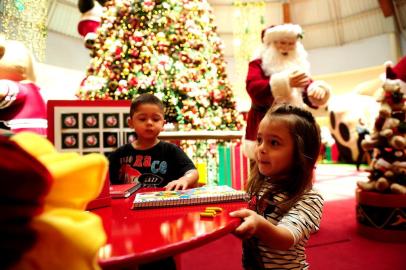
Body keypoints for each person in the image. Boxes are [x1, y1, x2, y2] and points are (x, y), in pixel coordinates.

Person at [230, 104, 324, 269]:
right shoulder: (261, 184)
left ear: (300, 154)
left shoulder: (308, 197)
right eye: (260, 140)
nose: (261, 148)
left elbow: (286, 238)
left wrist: (258, 225)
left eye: (274, 143)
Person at [244, 23, 330, 159]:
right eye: (282, 43)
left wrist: (317, 91)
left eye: (291, 44)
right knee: (264, 169)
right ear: (271, 44)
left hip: (294, 126)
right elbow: (254, 89)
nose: (286, 48)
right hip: (266, 125)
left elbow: (308, 87)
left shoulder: (297, 65)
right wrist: (285, 82)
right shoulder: (258, 64)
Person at [108, 93, 199, 191]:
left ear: (163, 124)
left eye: (155, 119)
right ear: (131, 123)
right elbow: (103, 179)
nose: (149, 123)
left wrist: (184, 179)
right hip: (127, 205)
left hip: (162, 203)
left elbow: (193, 172)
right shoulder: (119, 154)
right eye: (142, 119)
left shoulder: (171, 150)